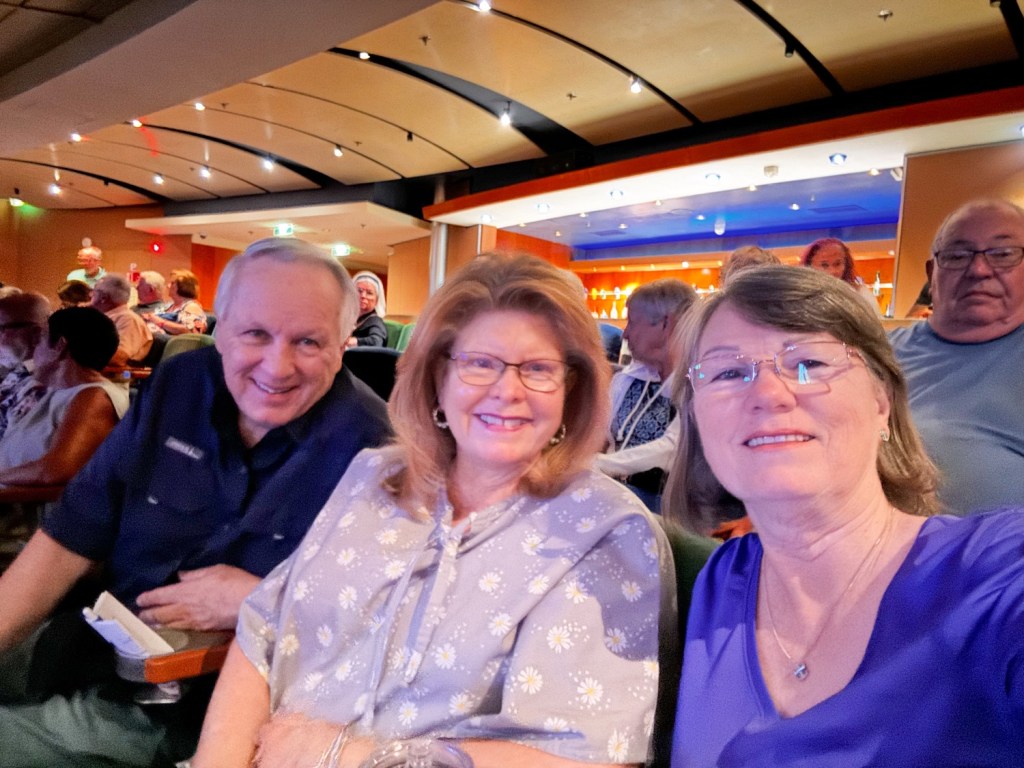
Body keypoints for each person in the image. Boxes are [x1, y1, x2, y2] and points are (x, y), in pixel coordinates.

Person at [193, 253, 669, 768]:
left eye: (537, 369)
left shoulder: (605, 530)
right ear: (439, 376)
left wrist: (345, 754)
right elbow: (262, 632)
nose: (507, 391)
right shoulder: (373, 474)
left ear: (570, 390)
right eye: (479, 363)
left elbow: (591, 755)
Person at [0, 238, 393, 766]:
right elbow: (69, 535)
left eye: (308, 341)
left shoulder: (377, 452)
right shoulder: (180, 384)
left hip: (185, 712)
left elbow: (385, 628)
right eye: (255, 334)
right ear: (220, 329)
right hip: (85, 641)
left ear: (344, 342)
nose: (277, 367)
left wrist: (268, 602)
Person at [665, 265, 1024, 766]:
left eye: (809, 363)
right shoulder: (722, 579)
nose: (768, 394)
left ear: (882, 402)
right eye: (727, 372)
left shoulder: (996, 570)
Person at [889, 198, 1024, 515]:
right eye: (956, 256)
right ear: (931, 273)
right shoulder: (877, 353)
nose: (979, 270)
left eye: (1003, 254)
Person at [595, 278, 696, 512]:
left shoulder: (699, 381)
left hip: (674, 510)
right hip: (617, 496)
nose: (625, 334)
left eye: (631, 322)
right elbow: (599, 435)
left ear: (666, 324)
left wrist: (597, 465)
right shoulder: (628, 378)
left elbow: (672, 450)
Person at [0, 307, 127, 485]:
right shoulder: (51, 390)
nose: (34, 349)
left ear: (60, 346)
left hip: (19, 499)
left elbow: (56, 469)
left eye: (40, 341)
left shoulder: (94, 397)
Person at [0, 293, 50, 441]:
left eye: (1, 328)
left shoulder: (44, 383)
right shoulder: (20, 369)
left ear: (36, 333)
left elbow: (10, 443)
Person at [801, 237, 879, 313]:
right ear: (809, 267)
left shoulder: (860, 294)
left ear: (846, 265)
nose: (832, 271)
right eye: (824, 265)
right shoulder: (801, 296)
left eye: (837, 264)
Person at [90, 273, 153, 365]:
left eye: (94, 291)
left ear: (103, 298)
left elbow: (119, 357)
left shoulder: (128, 320)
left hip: (110, 373)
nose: (90, 294)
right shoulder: (101, 317)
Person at [144, 268, 207, 334]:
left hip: (168, 339)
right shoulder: (169, 305)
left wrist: (160, 322)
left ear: (183, 287)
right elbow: (153, 318)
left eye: (172, 283)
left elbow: (190, 332)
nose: (168, 286)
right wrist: (149, 317)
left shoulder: (192, 307)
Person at [346, 270, 387, 347]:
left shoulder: (375, 321)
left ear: (377, 300)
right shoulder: (351, 319)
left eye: (369, 293)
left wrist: (354, 341)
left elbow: (377, 342)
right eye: (359, 291)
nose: (363, 296)